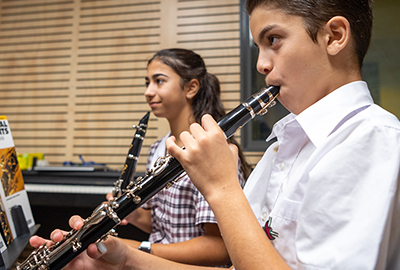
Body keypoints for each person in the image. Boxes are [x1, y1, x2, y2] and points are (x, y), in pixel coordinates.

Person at [29, 0, 400, 269]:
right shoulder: (284, 147)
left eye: (274, 40)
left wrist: (221, 188)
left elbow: (218, 249)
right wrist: (124, 258)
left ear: (334, 35)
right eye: (259, 46)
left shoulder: (371, 141)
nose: (261, 63)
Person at [105, 48, 249, 266]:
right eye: (147, 83)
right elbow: (163, 224)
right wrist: (132, 215)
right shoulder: (156, 149)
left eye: (159, 81)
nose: (148, 91)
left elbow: (219, 248)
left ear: (191, 88)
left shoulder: (212, 153)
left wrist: (137, 248)